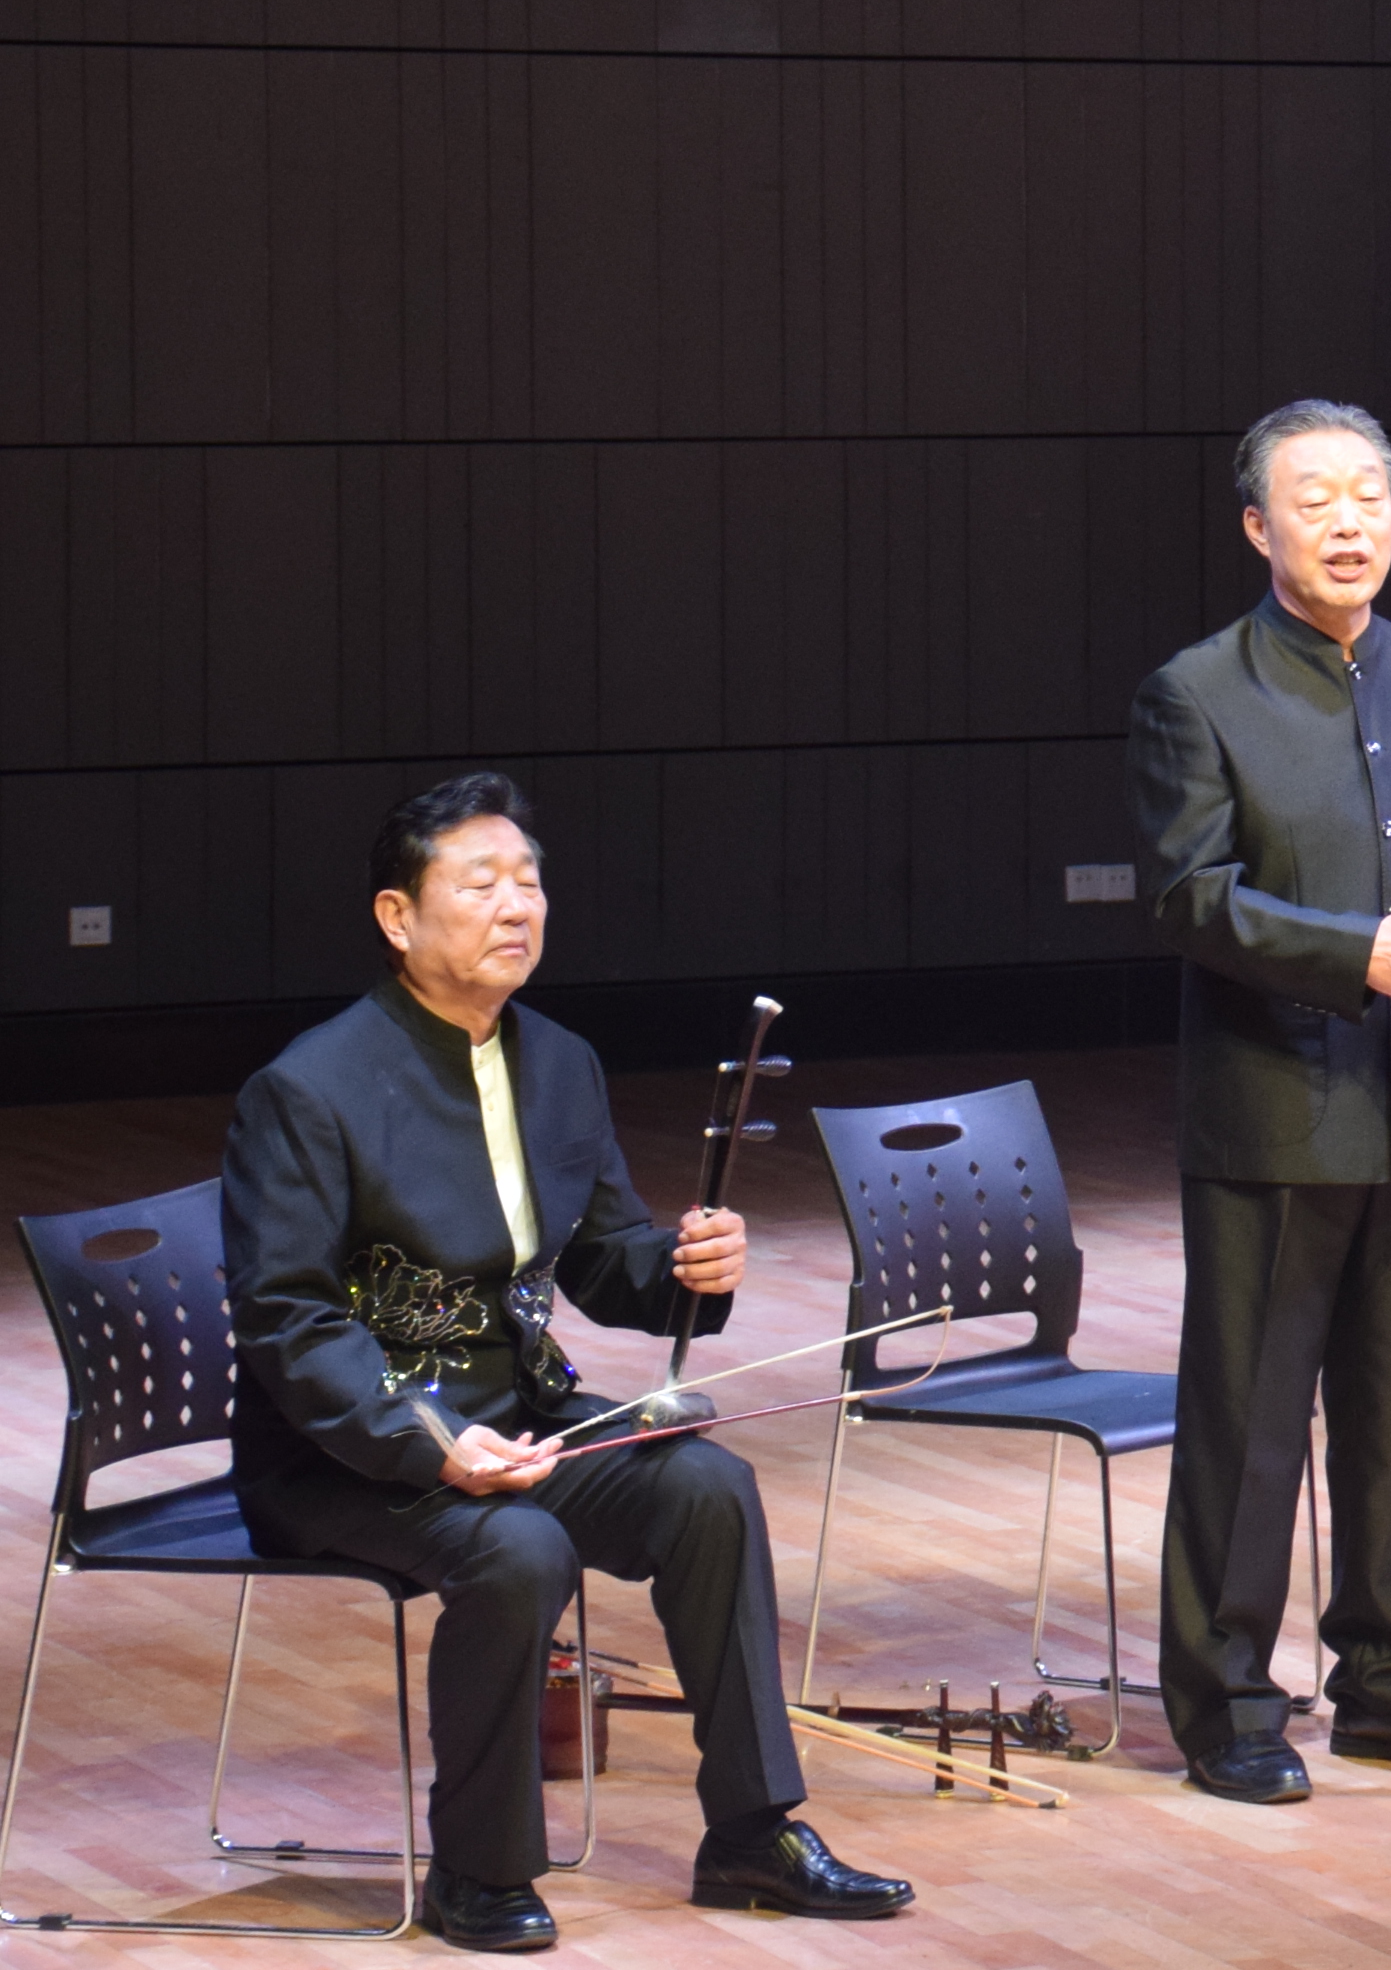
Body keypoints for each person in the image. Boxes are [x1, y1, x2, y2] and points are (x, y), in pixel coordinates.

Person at [221, 776, 910, 1953]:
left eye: (529, 882)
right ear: (398, 917)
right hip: (348, 1457)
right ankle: (477, 1873)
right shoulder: (309, 1088)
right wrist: (435, 1445)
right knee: (518, 1549)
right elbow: (289, 1320)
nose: (516, 906)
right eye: (480, 884)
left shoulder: (558, 1061)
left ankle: (751, 1831)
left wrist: (689, 1267)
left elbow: (605, 1260)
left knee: (707, 1490)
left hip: (522, 1421)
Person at [1130, 399, 1391, 1799]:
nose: (1348, 523)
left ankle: (1389, 1686)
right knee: (1250, 1430)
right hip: (1272, 1114)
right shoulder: (1196, 692)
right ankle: (1227, 1707)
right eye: (1314, 501)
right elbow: (1189, 897)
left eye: (1368, 495)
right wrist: (1357, 957)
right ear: (1258, 528)